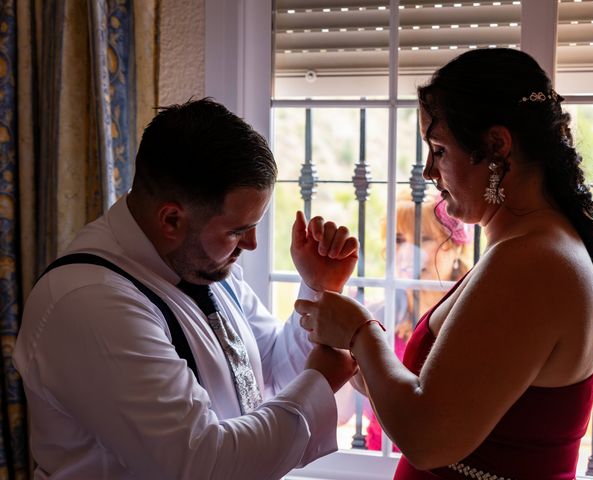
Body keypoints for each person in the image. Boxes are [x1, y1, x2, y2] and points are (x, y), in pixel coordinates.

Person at [295, 48, 593, 480]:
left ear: (495, 146)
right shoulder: (522, 248)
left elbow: (428, 438)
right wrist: (332, 302)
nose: (429, 171)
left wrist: (360, 331)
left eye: (438, 149)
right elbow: (406, 400)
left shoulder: (535, 262)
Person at [13, 98, 360, 480]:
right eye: (237, 230)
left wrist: (317, 289)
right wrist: (319, 385)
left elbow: (271, 372)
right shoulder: (90, 302)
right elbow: (201, 464)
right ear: (172, 219)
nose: (252, 245)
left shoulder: (203, 267)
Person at [365, 191, 472, 451]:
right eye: (399, 240)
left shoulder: (473, 314)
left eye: (422, 239)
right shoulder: (378, 315)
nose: (407, 253)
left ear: (456, 247)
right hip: (374, 458)